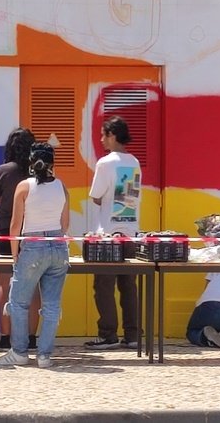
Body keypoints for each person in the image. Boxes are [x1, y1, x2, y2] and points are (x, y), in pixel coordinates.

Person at [0, 142, 70, 368]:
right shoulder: (62, 187)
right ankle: (45, 355)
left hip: (32, 245)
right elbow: (65, 224)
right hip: (58, 245)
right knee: (52, 304)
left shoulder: (24, 187)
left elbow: (15, 225)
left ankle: (19, 351)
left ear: (31, 162)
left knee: (18, 302)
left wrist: (16, 255)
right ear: (51, 164)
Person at [86, 116, 142, 350]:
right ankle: (133, 335)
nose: (101, 140)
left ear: (112, 135)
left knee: (104, 287)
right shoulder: (134, 162)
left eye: (103, 134)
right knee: (128, 286)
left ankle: (108, 334)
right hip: (130, 231)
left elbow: (96, 196)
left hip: (108, 234)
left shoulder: (105, 163)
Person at [0, 127, 41, 351]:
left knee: (5, 285)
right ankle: (31, 338)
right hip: (34, 232)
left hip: (5, 233)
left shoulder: (2, 171)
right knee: (34, 284)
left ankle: (7, 336)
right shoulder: (39, 172)